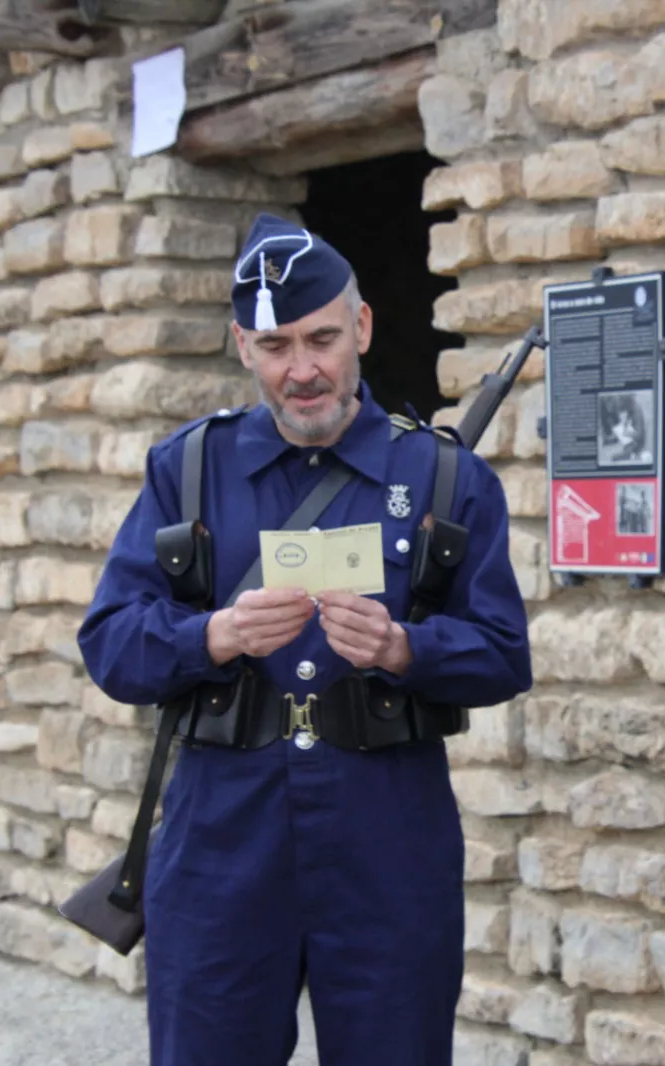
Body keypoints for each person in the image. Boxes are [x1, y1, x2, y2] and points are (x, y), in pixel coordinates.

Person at [77, 214, 532, 1066]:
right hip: (222, 833)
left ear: (360, 327)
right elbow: (110, 644)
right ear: (243, 347)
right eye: (276, 345)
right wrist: (212, 634)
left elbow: (505, 653)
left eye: (321, 338)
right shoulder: (188, 470)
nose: (303, 369)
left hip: (387, 832)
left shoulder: (442, 477)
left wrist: (406, 649)